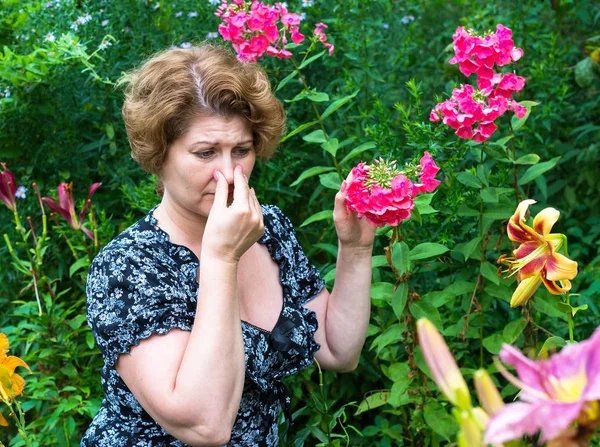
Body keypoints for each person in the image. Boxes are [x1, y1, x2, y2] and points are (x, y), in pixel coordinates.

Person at [82, 43, 375, 447]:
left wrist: (355, 250)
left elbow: (339, 352)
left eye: (241, 150)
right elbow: (205, 426)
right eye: (205, 153)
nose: (229, 173)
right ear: (158, 154)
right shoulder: (127, 265)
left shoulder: (268, 229)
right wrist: (221, 257)